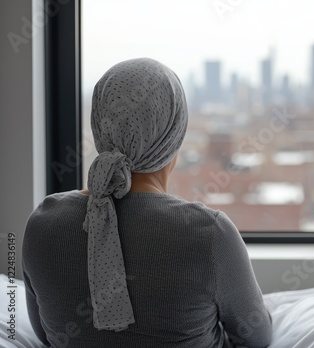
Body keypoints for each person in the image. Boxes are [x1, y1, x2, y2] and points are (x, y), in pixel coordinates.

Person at [22, 58, 273, 347]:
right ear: (173, 140)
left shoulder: (41, 225)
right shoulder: (210, 234)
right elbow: (257, 338)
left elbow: (44, 335)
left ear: (99, 128)